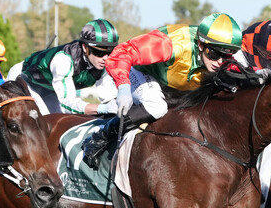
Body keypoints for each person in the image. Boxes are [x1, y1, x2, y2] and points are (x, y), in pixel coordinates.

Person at [81, 12, 242, 168]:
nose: (220, 62)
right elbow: (121, 53)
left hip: (172, 85)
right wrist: (123, 86)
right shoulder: (173, 44)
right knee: (156, 106)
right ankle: (102, 135)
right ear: (200, 44)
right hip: (142, 72)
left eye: (226, 56)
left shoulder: (223, 58)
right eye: (213, 54)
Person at [7, 19, 119, 116]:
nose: (105, 58)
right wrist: (101, 108)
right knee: (42, 125)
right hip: (24, 79)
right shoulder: (63, 60)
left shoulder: (104, 65)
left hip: (51, 89)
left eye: (110, 52)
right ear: (85, 47)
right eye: (98, 52)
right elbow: (67, 104)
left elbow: (109, 99)